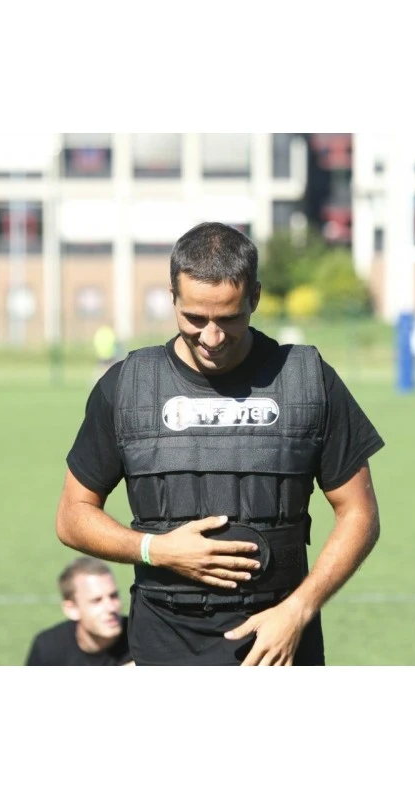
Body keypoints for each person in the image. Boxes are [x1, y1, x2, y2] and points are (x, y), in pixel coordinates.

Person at [56, 221, 384, 666]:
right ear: (172, 297)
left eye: (229, 318)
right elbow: (72, 516)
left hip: (279, 643)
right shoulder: (127, 388)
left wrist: (298, 610)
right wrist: (155, 548)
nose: (211, 338)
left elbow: (359, 513)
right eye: (195, 318)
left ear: (255, 298)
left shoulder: (308, 381)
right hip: (165, 646)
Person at [25, 555, 133, 666]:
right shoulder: (47, 648)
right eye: (96, 601)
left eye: (114, 596)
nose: (111, 608)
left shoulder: (141, 639)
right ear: (72, 609)